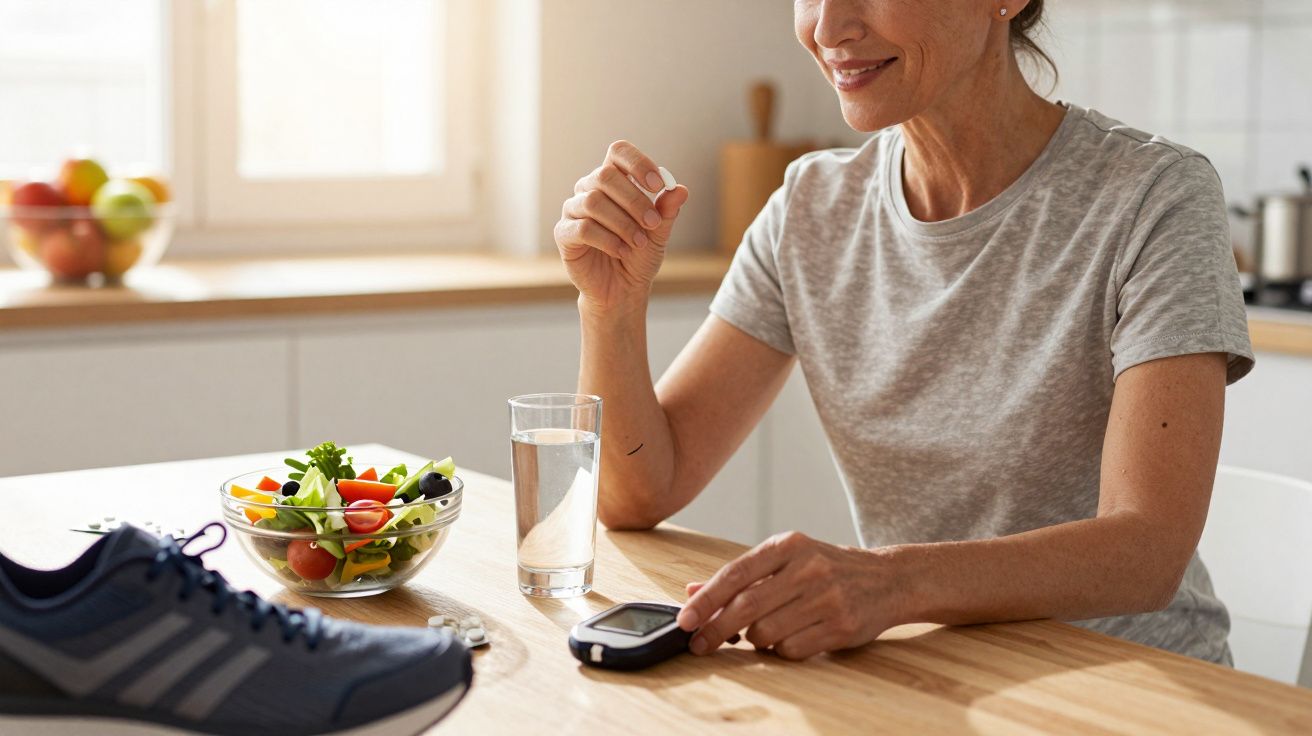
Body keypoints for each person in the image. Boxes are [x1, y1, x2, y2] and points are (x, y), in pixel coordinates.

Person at [552, 0, 1252, 664]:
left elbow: (1147, 552)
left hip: (1141, 687)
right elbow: (637, 492)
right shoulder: (812, 208)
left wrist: (892, 583)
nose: (827, 27)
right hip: (935, 676)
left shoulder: (1155, 197)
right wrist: (611, 307)